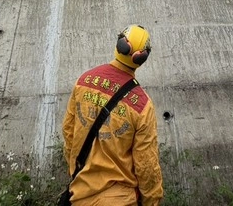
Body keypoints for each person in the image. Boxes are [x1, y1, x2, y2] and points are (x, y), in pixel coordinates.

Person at [62, 25, 163, 206]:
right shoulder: (142, 105)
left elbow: (69, 132)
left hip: (79, 196)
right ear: (142, 58)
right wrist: (151, 201)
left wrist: (77, 174)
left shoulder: (83, 81)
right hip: (121, 200)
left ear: (118, 45)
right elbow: (146, 165)